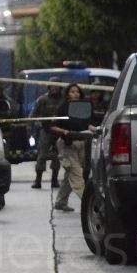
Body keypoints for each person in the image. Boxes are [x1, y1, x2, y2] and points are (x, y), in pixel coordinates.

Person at [51, 83, 96, 212]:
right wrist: (65, 132)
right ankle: (90, 205)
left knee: (70, 175)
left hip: (81, 143)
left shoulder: (83, 109)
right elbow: (53, 126)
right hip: (67, 144)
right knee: (77, 175)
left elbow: (87, 125)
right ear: (67, 94)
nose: (75, 94)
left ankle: (60, 202)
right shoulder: (63, 108)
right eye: (72, 91)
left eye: (77, 91)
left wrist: (97, 129)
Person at [30, 79, 64, 189]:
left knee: (57, 156)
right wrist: (29, 127)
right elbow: (33, 115)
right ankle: (38, 180)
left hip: (59, 131)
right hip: (45, 130)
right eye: (52, 86)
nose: (55, 88)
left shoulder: (64, 100)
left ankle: (54, 180)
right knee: (42, 155)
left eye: (57, 86)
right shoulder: (42, 99)